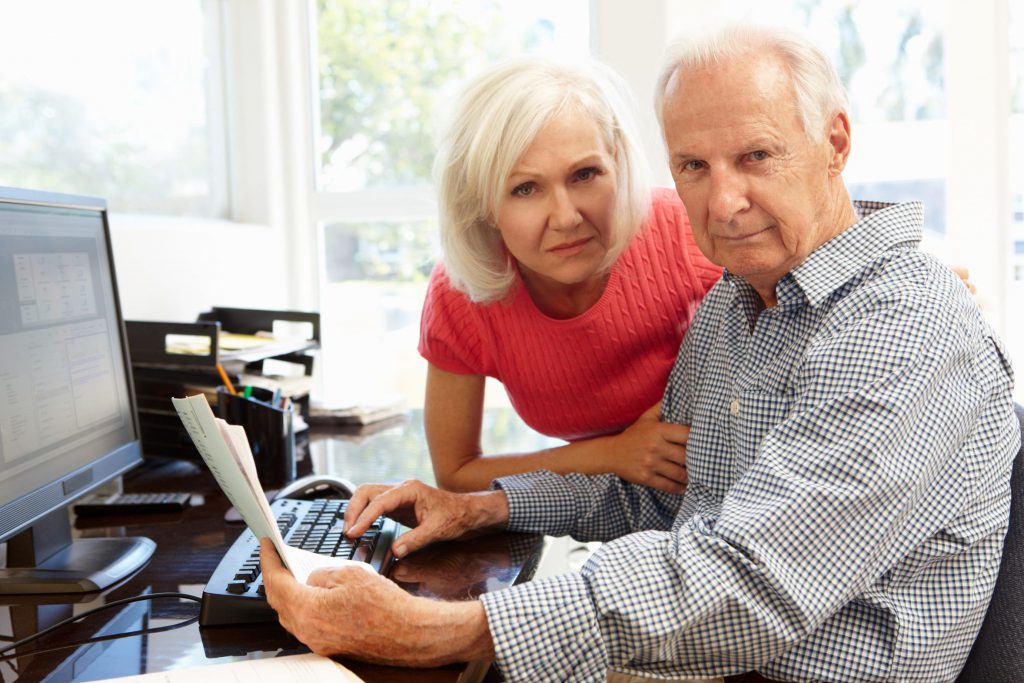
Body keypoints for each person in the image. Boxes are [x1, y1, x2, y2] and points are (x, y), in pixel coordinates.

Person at [261, 23, 1019, 682]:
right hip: (707, 653)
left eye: (756, 155)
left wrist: (444, 631)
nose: (722, 202)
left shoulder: (901, 323)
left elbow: (752, 582)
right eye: (694, 166)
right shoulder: (734, 300)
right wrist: (481, 508)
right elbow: (660, 495)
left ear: (835, 144)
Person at [420, 57, 721, 493]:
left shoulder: (688, 232)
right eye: (525, 188)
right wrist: (611, 455)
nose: (566, 217)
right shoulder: (462, 293)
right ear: (483, 203)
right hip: (602, 508)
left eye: (585, 174)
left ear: (616, 161)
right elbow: (456, 473)